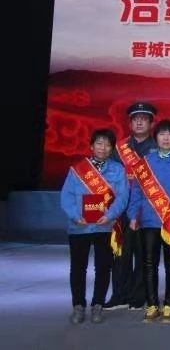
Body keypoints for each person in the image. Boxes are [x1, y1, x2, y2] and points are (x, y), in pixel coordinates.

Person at [127, 119, 170, 322]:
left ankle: (169, 306)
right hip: (149, 221)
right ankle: (152, 305)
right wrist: (133, 215)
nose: (166, 138)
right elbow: (136, 192)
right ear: (155, 138)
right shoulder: (145, 163)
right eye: (162, 134)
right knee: (149, 265)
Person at [60, 129, 129, 324]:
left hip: (104, 227)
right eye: (99, 143)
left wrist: (110, 215)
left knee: (103, 267)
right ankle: (78, 306)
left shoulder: (118, 170)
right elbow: (66, 196)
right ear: (91, 146)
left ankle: (98, 304)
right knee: (78, 268)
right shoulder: (77, 169)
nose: (103, 148)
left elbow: (122, 197)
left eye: (107, 144)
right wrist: (75, 216)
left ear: (112, 148)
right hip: (79, 227)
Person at [105, 102, 158, 311]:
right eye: (135, 119)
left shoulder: (159, 147)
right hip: (123, 209)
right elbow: (109, 176)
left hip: (149, 209)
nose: (139, 122)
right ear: (129, 123)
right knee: (121, 254)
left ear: (151, 124)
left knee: (145, 255)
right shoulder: (119, 149)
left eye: (144, 119)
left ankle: (139, 296)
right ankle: (119, 295)